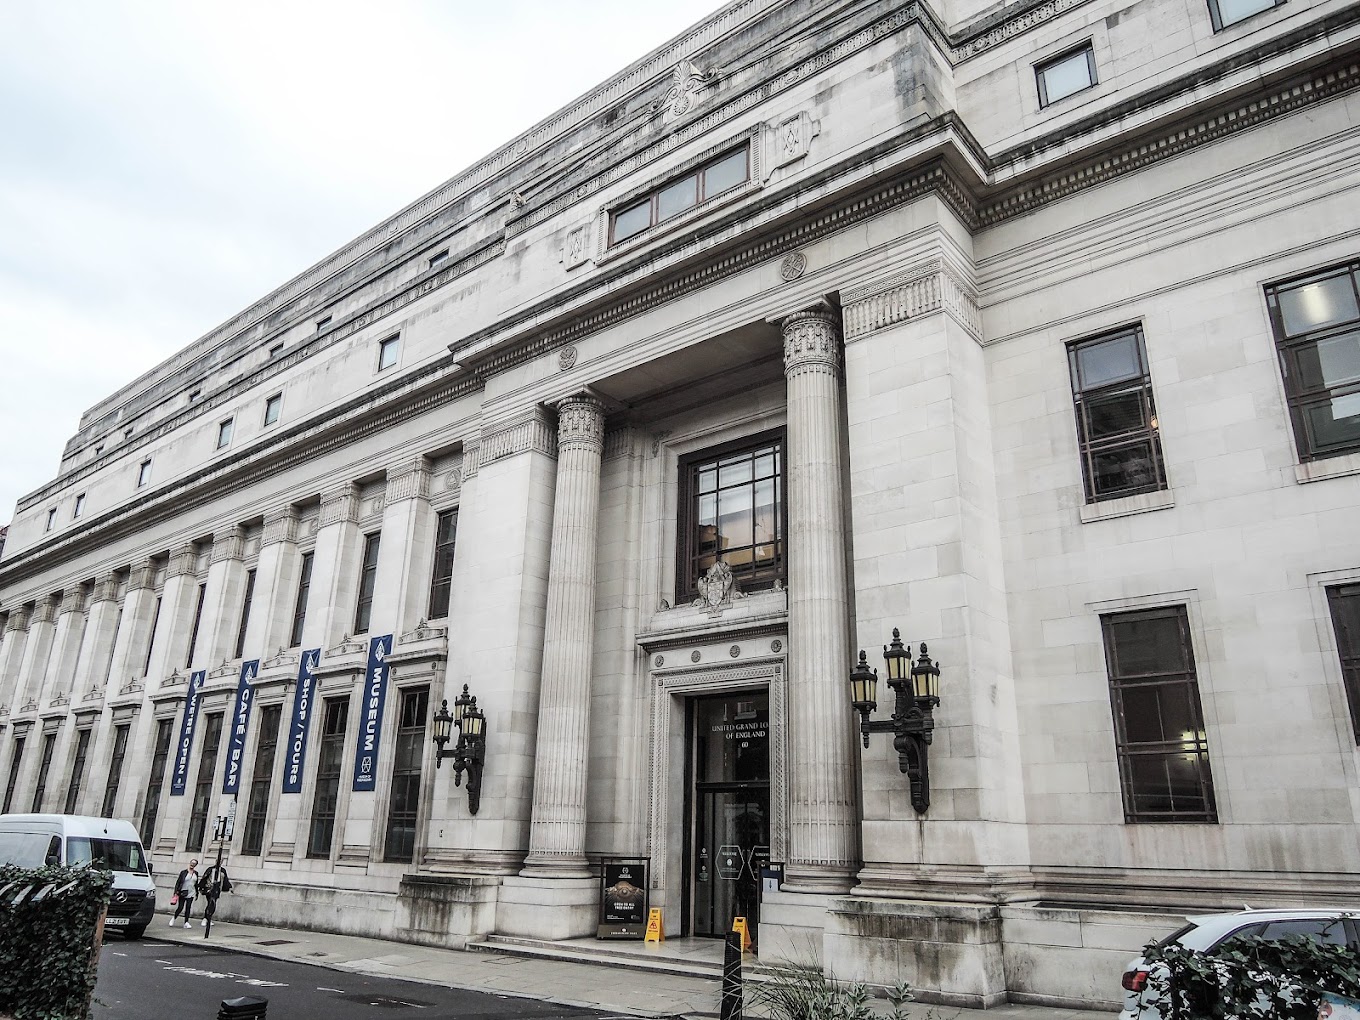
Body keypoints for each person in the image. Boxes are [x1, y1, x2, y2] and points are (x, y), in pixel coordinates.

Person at [196, 860, 232, 928]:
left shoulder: (223, 870)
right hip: (209, 889)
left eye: (221, 861)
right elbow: (204, 878)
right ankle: (205, 918)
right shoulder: (210, 869)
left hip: (217, 890)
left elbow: (225, 880)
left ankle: (208, 918)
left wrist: (229, 887)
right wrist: (201, 887)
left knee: (213, 904)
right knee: (210, 902)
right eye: (218, 861)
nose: (219, 862)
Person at [169, 859, 199, 928]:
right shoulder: (183, 872)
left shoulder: (196, 873)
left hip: (191, 892)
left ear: (195, 865)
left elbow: (196, 884)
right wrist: (176, 892)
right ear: (190, 863)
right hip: (183, 892)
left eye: (194, 864)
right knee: (180, 907)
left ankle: (186, 922)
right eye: (192, 863)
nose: (192, 864)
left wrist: (197, 893)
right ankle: (173, 918)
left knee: (188, 907)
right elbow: (178, 882)